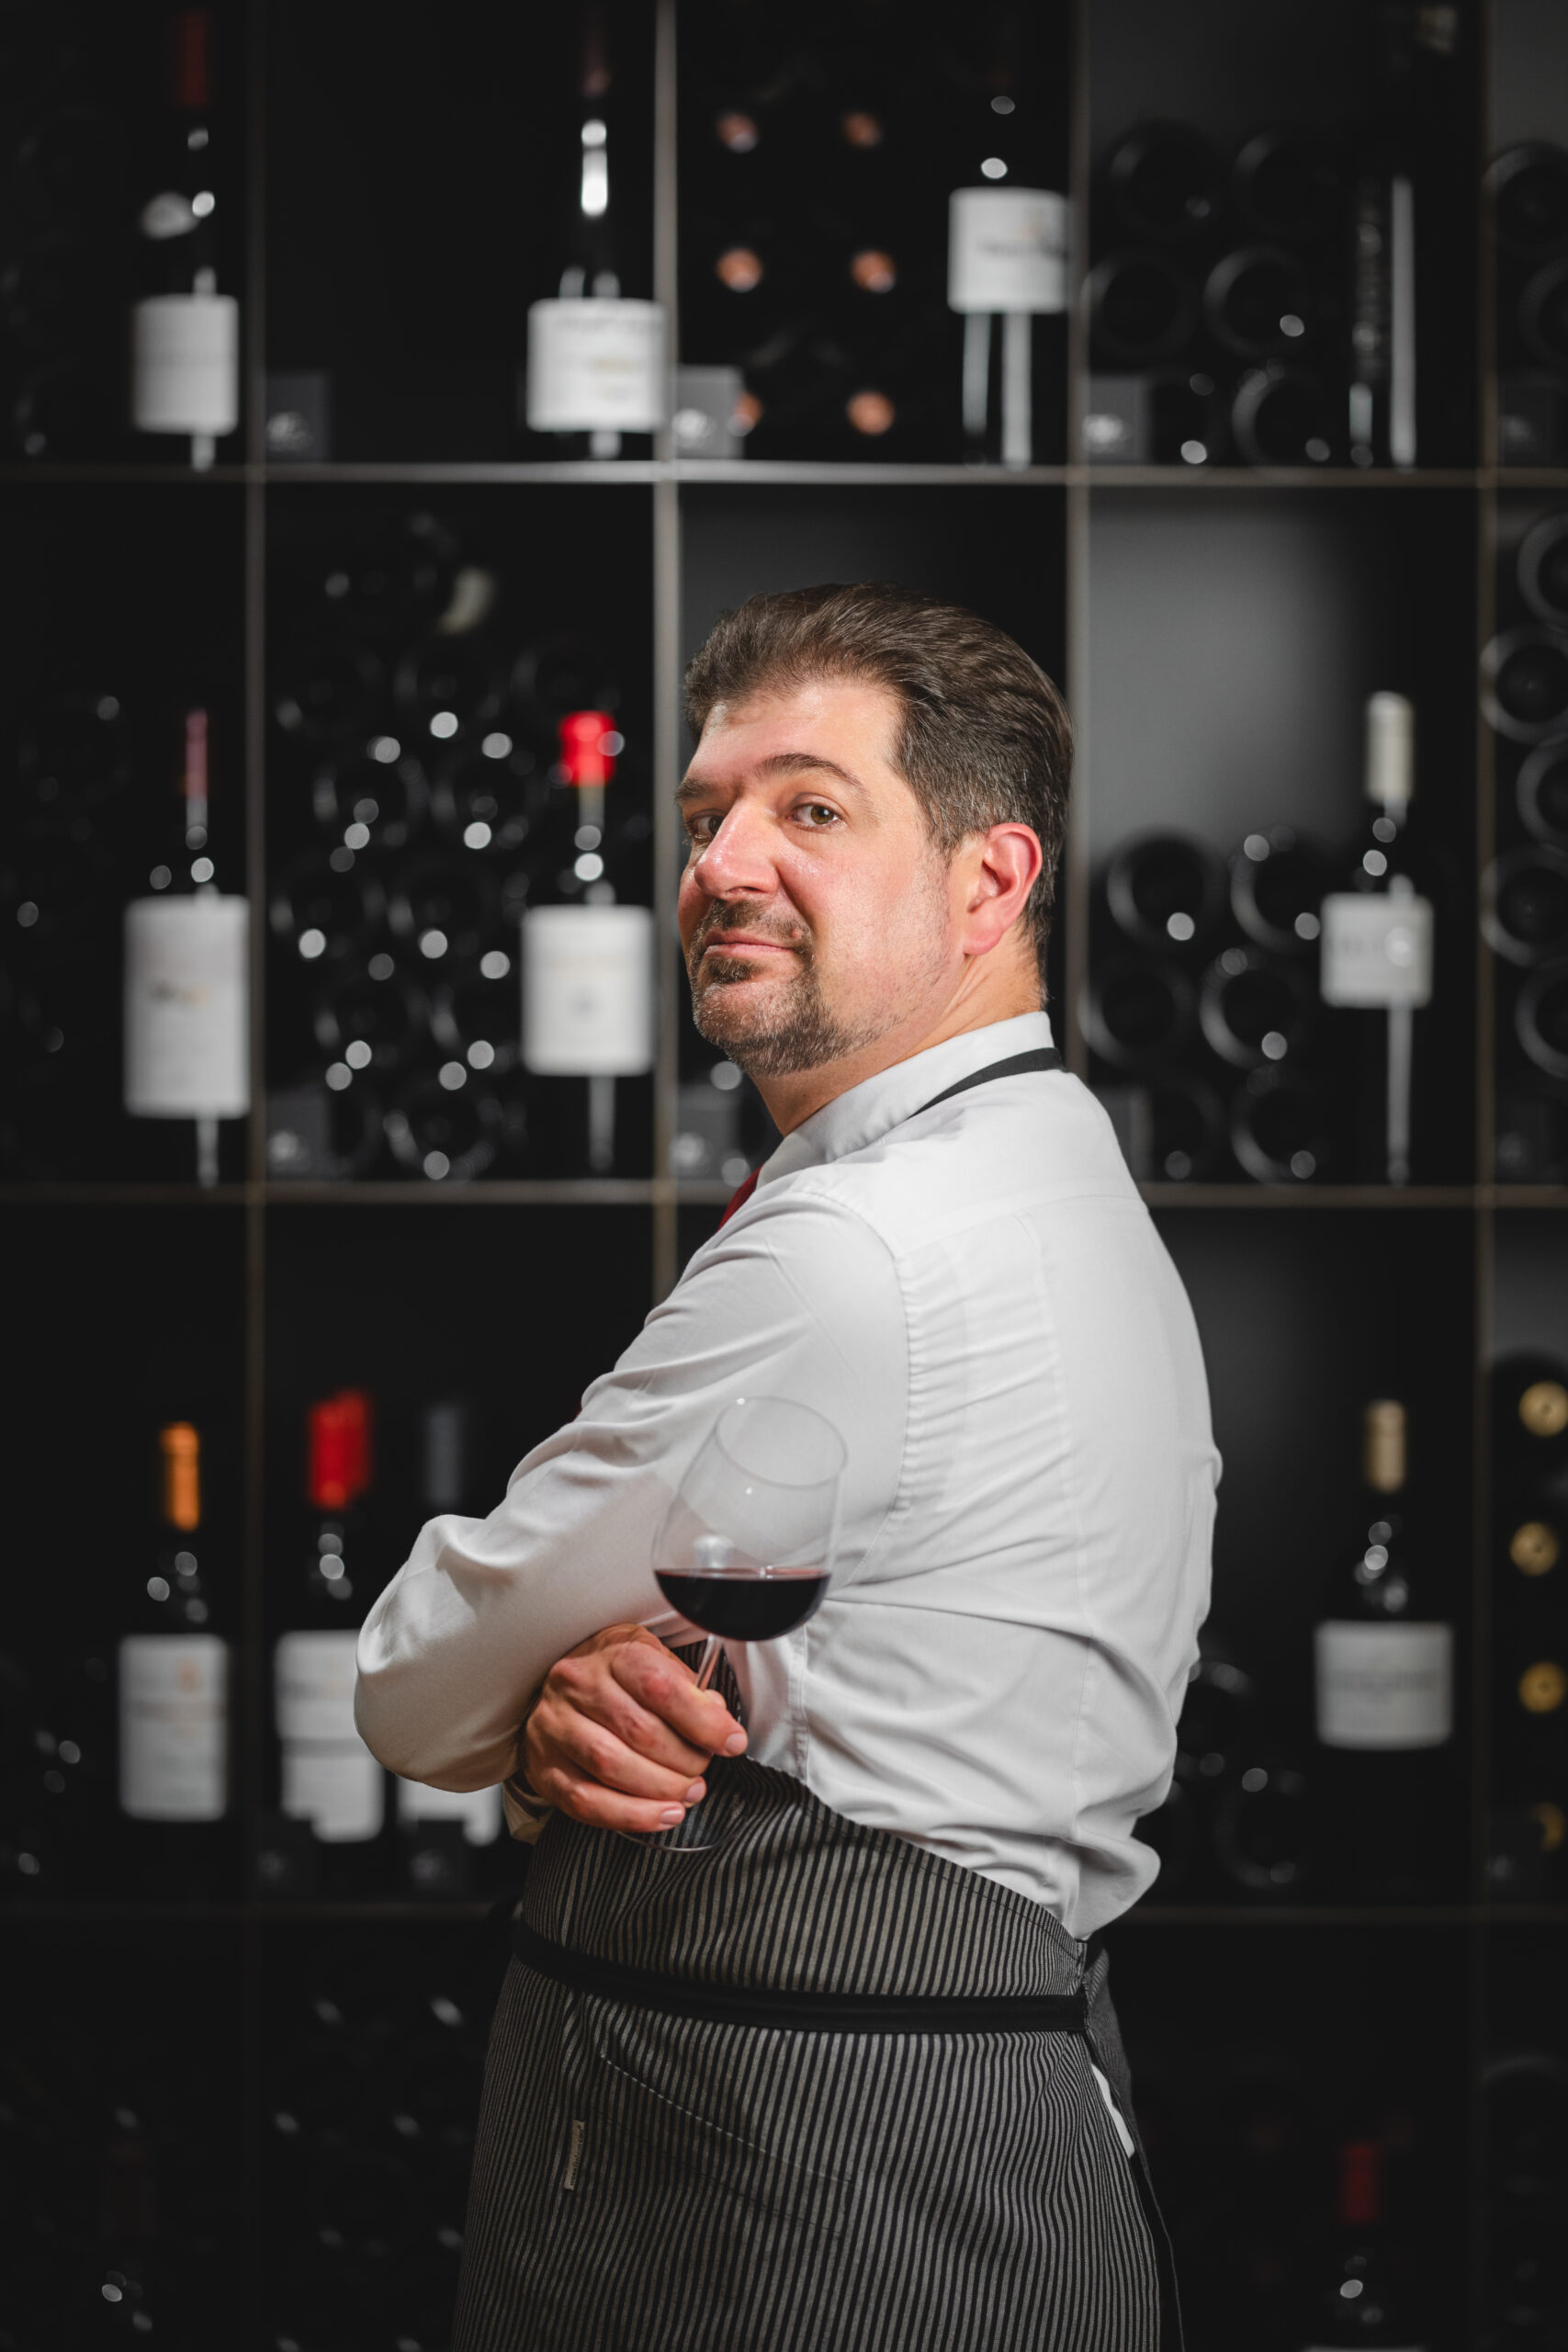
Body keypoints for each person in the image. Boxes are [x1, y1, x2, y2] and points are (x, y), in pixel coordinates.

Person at [355, 582, 1218, 2352]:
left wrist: (525, 1696)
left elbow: (417, 1687)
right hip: (988, 2142)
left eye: (810, 810)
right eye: (703, 818)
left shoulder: (856, 1253)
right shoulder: (1048, 1173)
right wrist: (582, 1694)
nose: (722, 865)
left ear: (990, 881)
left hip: (815, 2198)